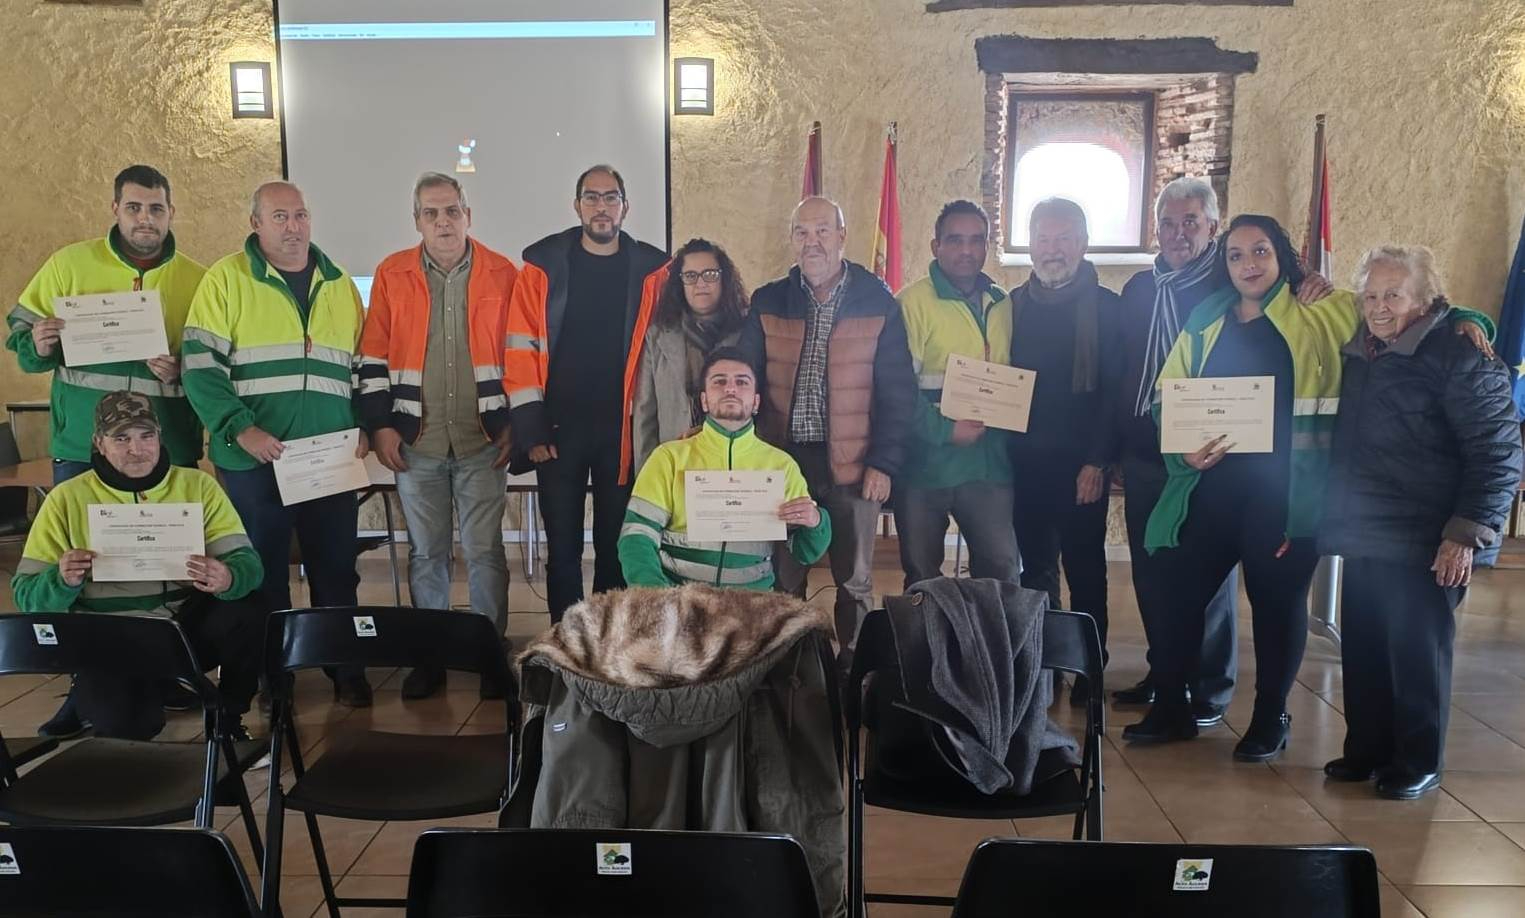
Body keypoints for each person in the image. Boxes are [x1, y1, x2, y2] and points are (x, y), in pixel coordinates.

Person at [1123, 215, 1494, 761]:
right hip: (1211, 490)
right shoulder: (1206, 317)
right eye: (1236, 255)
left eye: (1261, 252)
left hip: (1286, 495)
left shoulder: (1322, 308)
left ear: (1281, 259)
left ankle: (1270, 717)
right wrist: (1181, 448)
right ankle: (1173, 706)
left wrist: (1467, 318)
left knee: (1276, 602)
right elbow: (1167, 394)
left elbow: (1405, 311)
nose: (1249, 265)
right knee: (1176, 594)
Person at [5, 164, 207, 739]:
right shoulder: (69, 264)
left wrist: (184, 367)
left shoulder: (197, 279)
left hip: (167, 450)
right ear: (115, 210)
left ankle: (163, 671)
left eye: (157, 208)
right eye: (135, 207)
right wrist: (38, 342)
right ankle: (82, 689)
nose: (146, 218)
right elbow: (22, 340)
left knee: (164, 566)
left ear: (172, 213)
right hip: (81, 448)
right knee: (86, 571)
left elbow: (213, 364)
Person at [1319, 246, 1521, 799]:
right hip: (1366, 531)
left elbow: (1498, 451)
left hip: (1427, 539)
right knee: (1364, 649)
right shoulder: (1364, 350)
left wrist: (1466, 535)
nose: (1380, 307)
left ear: (1427, 300)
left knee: (1417, 654)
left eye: (1394, 295)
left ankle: (1417, 759)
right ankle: (1368, 750)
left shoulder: (1460, 353)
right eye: (1371, 295)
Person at [181, 180, 373, 707]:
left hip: (328, 459)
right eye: (280, 217)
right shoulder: (226, 280)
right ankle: (274, 675)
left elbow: (359, 369)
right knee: (263, 573)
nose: (294, 227)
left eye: (301, 215)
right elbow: (199, 369)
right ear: (256, 224)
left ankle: (344, 666)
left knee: (336, 567)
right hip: (252, 460)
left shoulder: (339, 285)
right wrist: (242, 429)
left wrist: (360, 426)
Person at [11, 392, 264, 740]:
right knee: (128, 726)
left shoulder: (198, 485)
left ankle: (228, 721)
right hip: (108, 637)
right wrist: (61, 578)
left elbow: (248, 563)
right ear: (99, 443)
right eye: (121, 438)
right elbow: (26, 596)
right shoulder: (66, 498)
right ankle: (110, 693)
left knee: (249, 607)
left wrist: (228, 576)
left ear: (160, 437)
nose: (137, 449)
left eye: (147, 436)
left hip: (182, 628)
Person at [357, 173, 516, 700]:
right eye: (432, 213)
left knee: (485, 551)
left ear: (468, 214)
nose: (443, 222)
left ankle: (490, 654)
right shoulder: (390, 273)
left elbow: (521, 355)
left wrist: (517, 424)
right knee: (427, 553)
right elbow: (373, 357)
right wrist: (380, 425)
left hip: (483, 440)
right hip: (416, 442)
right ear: (417, 221)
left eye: (452, 211)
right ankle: (432, 657)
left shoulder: (503, 273)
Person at [738, 196, 917, 663]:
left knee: (854, 580)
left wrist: (883, 462)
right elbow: (746, 376)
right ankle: (784, 666)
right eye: (802, 232)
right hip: (782, 462)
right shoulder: (768, 300)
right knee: (783, 575)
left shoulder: (878, 302)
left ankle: (853, 669)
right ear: (792, 239)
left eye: (822, 231)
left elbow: (898, 392)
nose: (812, 241)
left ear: (842, 236)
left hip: (855, 466)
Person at [504, 164, 669, 622]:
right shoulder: (541, 269)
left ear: (625, 207)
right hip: (557, 430)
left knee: (616, 546)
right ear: (577, 205)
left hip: (624, 433)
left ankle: (608, 642)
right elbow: (519, 350)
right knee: (562, 549)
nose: (602, 207)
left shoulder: (654, 272)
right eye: (592, 198)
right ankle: (566, 643)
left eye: (611, 197)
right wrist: (531, 427)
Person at [1006, 198, 1121, 686]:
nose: (1054, 249)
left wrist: (1097, 462)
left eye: (1064, 238)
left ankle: (1091, 666)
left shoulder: (1108, 309)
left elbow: (1115, 394)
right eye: (1044, 239)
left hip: (1082, 466)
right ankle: (1046, 665)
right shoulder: (1011, 307)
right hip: (1024, 463)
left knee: (1086, 569)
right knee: (1035, 571)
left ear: (1083, 243)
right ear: (1031, 245)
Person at [619, 347, 831, 589]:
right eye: (719, 381)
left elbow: (806, 552)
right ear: (704, 401)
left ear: (756, 402)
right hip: (680, 600)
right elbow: (636, 536)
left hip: (753, 607)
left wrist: (815, 521)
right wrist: (657, 597)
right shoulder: (668, 458)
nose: (731, 388)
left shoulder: (781, 465)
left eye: (742, 382)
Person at [893, 200, 1020, 587]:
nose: (967, 250)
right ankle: (926, 649)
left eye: (976, 240)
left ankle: (992, 648)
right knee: (922, 576)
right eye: (955, 240)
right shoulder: (911, 303)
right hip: (925, 465)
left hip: (989, 465)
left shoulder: (1003, 303)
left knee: (1001, 570)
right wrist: (946, 431)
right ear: (936, 246)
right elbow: (897, 389)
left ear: (987, 247)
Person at [631, 238, 749, 473]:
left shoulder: (748, 332)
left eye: (710, 274)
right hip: (675, 463)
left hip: (734, 467)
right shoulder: (658, 336)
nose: (700, 283)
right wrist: (647, 476)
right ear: (679, 283)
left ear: (724, 279)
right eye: (691, 276)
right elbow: (646, 413)